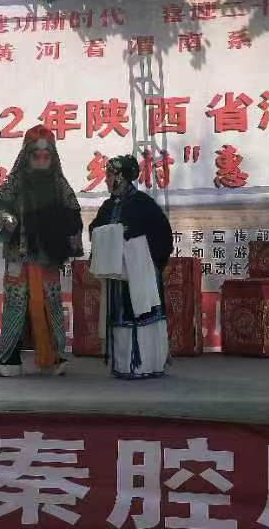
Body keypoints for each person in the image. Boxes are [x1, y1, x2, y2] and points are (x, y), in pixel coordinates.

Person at [0, 124, 83, 377]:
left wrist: (69, 228)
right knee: (16, 305)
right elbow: (1, 205)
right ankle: (9, 358)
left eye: (47, 155)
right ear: (27, 155)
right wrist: (8, 219)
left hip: (48, 257)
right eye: (37, 155)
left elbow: (73, 210)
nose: (42, 160)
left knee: (51, 304)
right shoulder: (15, 181)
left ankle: (56, 355)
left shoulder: (59, 183)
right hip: (19, 256)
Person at [89, 154, 173, 378]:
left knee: (142, 313)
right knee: (121, 315)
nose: (106, 179)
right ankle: (123, 364)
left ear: (121, 177)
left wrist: (147, 257)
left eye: (110, 175)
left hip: (140, 270)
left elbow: (163, 235)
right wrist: (112, 236)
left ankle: (147, 364)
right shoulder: (108, 206)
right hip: (118, 273)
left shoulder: (143, 203)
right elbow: (94, 230)